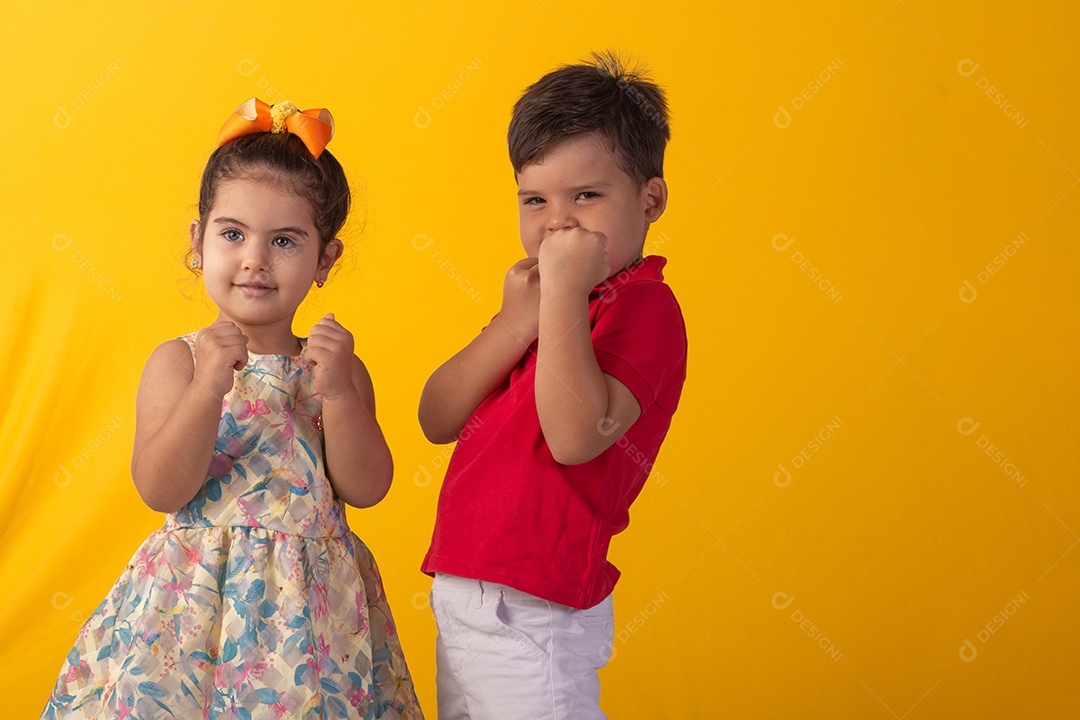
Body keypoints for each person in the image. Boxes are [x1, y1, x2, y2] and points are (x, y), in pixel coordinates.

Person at [41, 98, 424, 720]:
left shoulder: (336, 369)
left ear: (326, 258)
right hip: (191, 609)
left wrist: (342, 397)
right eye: (233, 234)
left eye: (285, 240)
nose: (255, 258)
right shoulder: (180, 362)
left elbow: (369, 486)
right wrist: (205, 391)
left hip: (310, 618)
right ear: (198, 241)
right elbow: (162, 488)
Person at [418, 53, 688, 720]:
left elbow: (574, 438)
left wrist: (562, 292)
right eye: (535, 200)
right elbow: (436, 415)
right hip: (464, 592)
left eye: (586, 196)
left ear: (649, 199)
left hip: (538, 608)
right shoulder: (537, 306)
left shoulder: (644, 308)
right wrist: (513, 324)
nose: (558, 223)